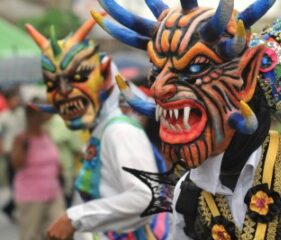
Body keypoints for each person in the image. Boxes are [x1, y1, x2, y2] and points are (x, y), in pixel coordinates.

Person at [93, 0, 281, 239]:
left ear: (245, 77)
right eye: (157, 70)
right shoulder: (186, 197)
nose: (160, 88)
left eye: (195, 68)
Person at [26, 17, 168, 239]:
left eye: (78, 77)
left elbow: (147, 196)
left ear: (103, 76)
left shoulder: (120, 131)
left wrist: (75, 218)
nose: (63, 91)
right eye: (53, 83)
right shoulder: (101, 130)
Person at [12, 100, 65, 240]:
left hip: (53, 192)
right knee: (30, 235)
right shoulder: (21, 139)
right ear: (31, 116)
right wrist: (24, 147)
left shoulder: (46, 134)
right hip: (31, 196)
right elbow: (16, 164)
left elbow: (55, 159)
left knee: (58, 232)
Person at [0, 86, 25, 221]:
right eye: (12, 99)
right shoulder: (3, 117)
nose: (14, 102)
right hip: (10, 154)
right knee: (14, 182)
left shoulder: (22, 113)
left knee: (23, 181)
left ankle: (11, 207)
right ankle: (11, 207)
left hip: (24, 151)